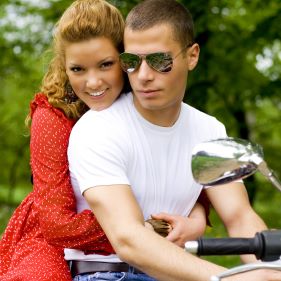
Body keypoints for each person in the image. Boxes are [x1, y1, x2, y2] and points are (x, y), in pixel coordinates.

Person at [67, 0, 281, 280]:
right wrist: (231, 278)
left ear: (192, 56)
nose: (143, 76)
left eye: (160, 61)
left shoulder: (209, 129)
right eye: (132, 62)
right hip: (109, 273)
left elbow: (239, 216)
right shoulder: (98, 128)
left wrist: (271, 269)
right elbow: (128, 240)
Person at [0, 1, 208, 280]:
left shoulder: (148, 101)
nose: (94, 82)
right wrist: (142, 228)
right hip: (58, 239)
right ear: (65, 67)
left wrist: (197, 219)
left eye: (106, 65)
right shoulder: (54, 116)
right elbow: (56, 224)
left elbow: (182, 177)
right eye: (78, 69)